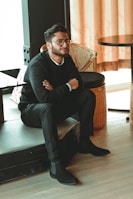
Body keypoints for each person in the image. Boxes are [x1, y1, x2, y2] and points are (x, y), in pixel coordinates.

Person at [18, 23, 110, 185]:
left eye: (66, 40)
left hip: (55, 104)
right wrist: (67, 86)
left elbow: (79, 85)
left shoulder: (66, 59)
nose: (65, 45)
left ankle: (84, 142)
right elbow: (44, 98)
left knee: (87, 95)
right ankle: (56, 165)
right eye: (59, 41)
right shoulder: (37, 65)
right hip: (32, 111)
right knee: (47, 108)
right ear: (48, 45)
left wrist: (56, 90)